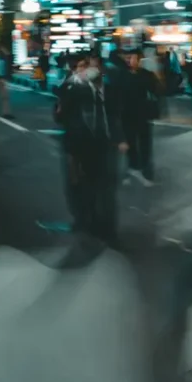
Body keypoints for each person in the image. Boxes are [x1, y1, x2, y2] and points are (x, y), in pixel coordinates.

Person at [53, 53, 122, 243]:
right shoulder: (72, 87)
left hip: (103, 144)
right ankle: (84, 220)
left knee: (104, 188)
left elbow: (116, 115)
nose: (86, 71)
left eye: (91, 67)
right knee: (79, 185)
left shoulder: (109, 89)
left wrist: (120, 139)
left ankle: (105, 228)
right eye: (82, 67)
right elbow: (60, 114)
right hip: (78, 145)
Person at [111, 49, 161, 182]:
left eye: (131, 57)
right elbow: (115, 95)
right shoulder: (121, 75)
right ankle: (133, 166)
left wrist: (156, 76)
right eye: (127, 58)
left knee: (145, 142)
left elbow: (156, 90)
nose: (129, 60)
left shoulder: (146, 74)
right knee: (130, 142)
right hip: (127, 114)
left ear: (139, 59)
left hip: (143, 114)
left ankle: (146, 168)